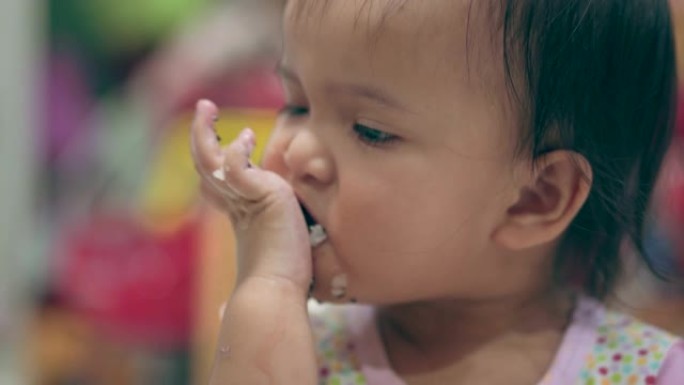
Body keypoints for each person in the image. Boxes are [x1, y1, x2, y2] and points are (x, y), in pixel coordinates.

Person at [190, 1, 684, 384]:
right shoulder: (283, 350)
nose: (294, 152)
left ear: (534, 198)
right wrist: (271, 285)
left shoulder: (646, 373)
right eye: (296, 105)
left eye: (370, 130)